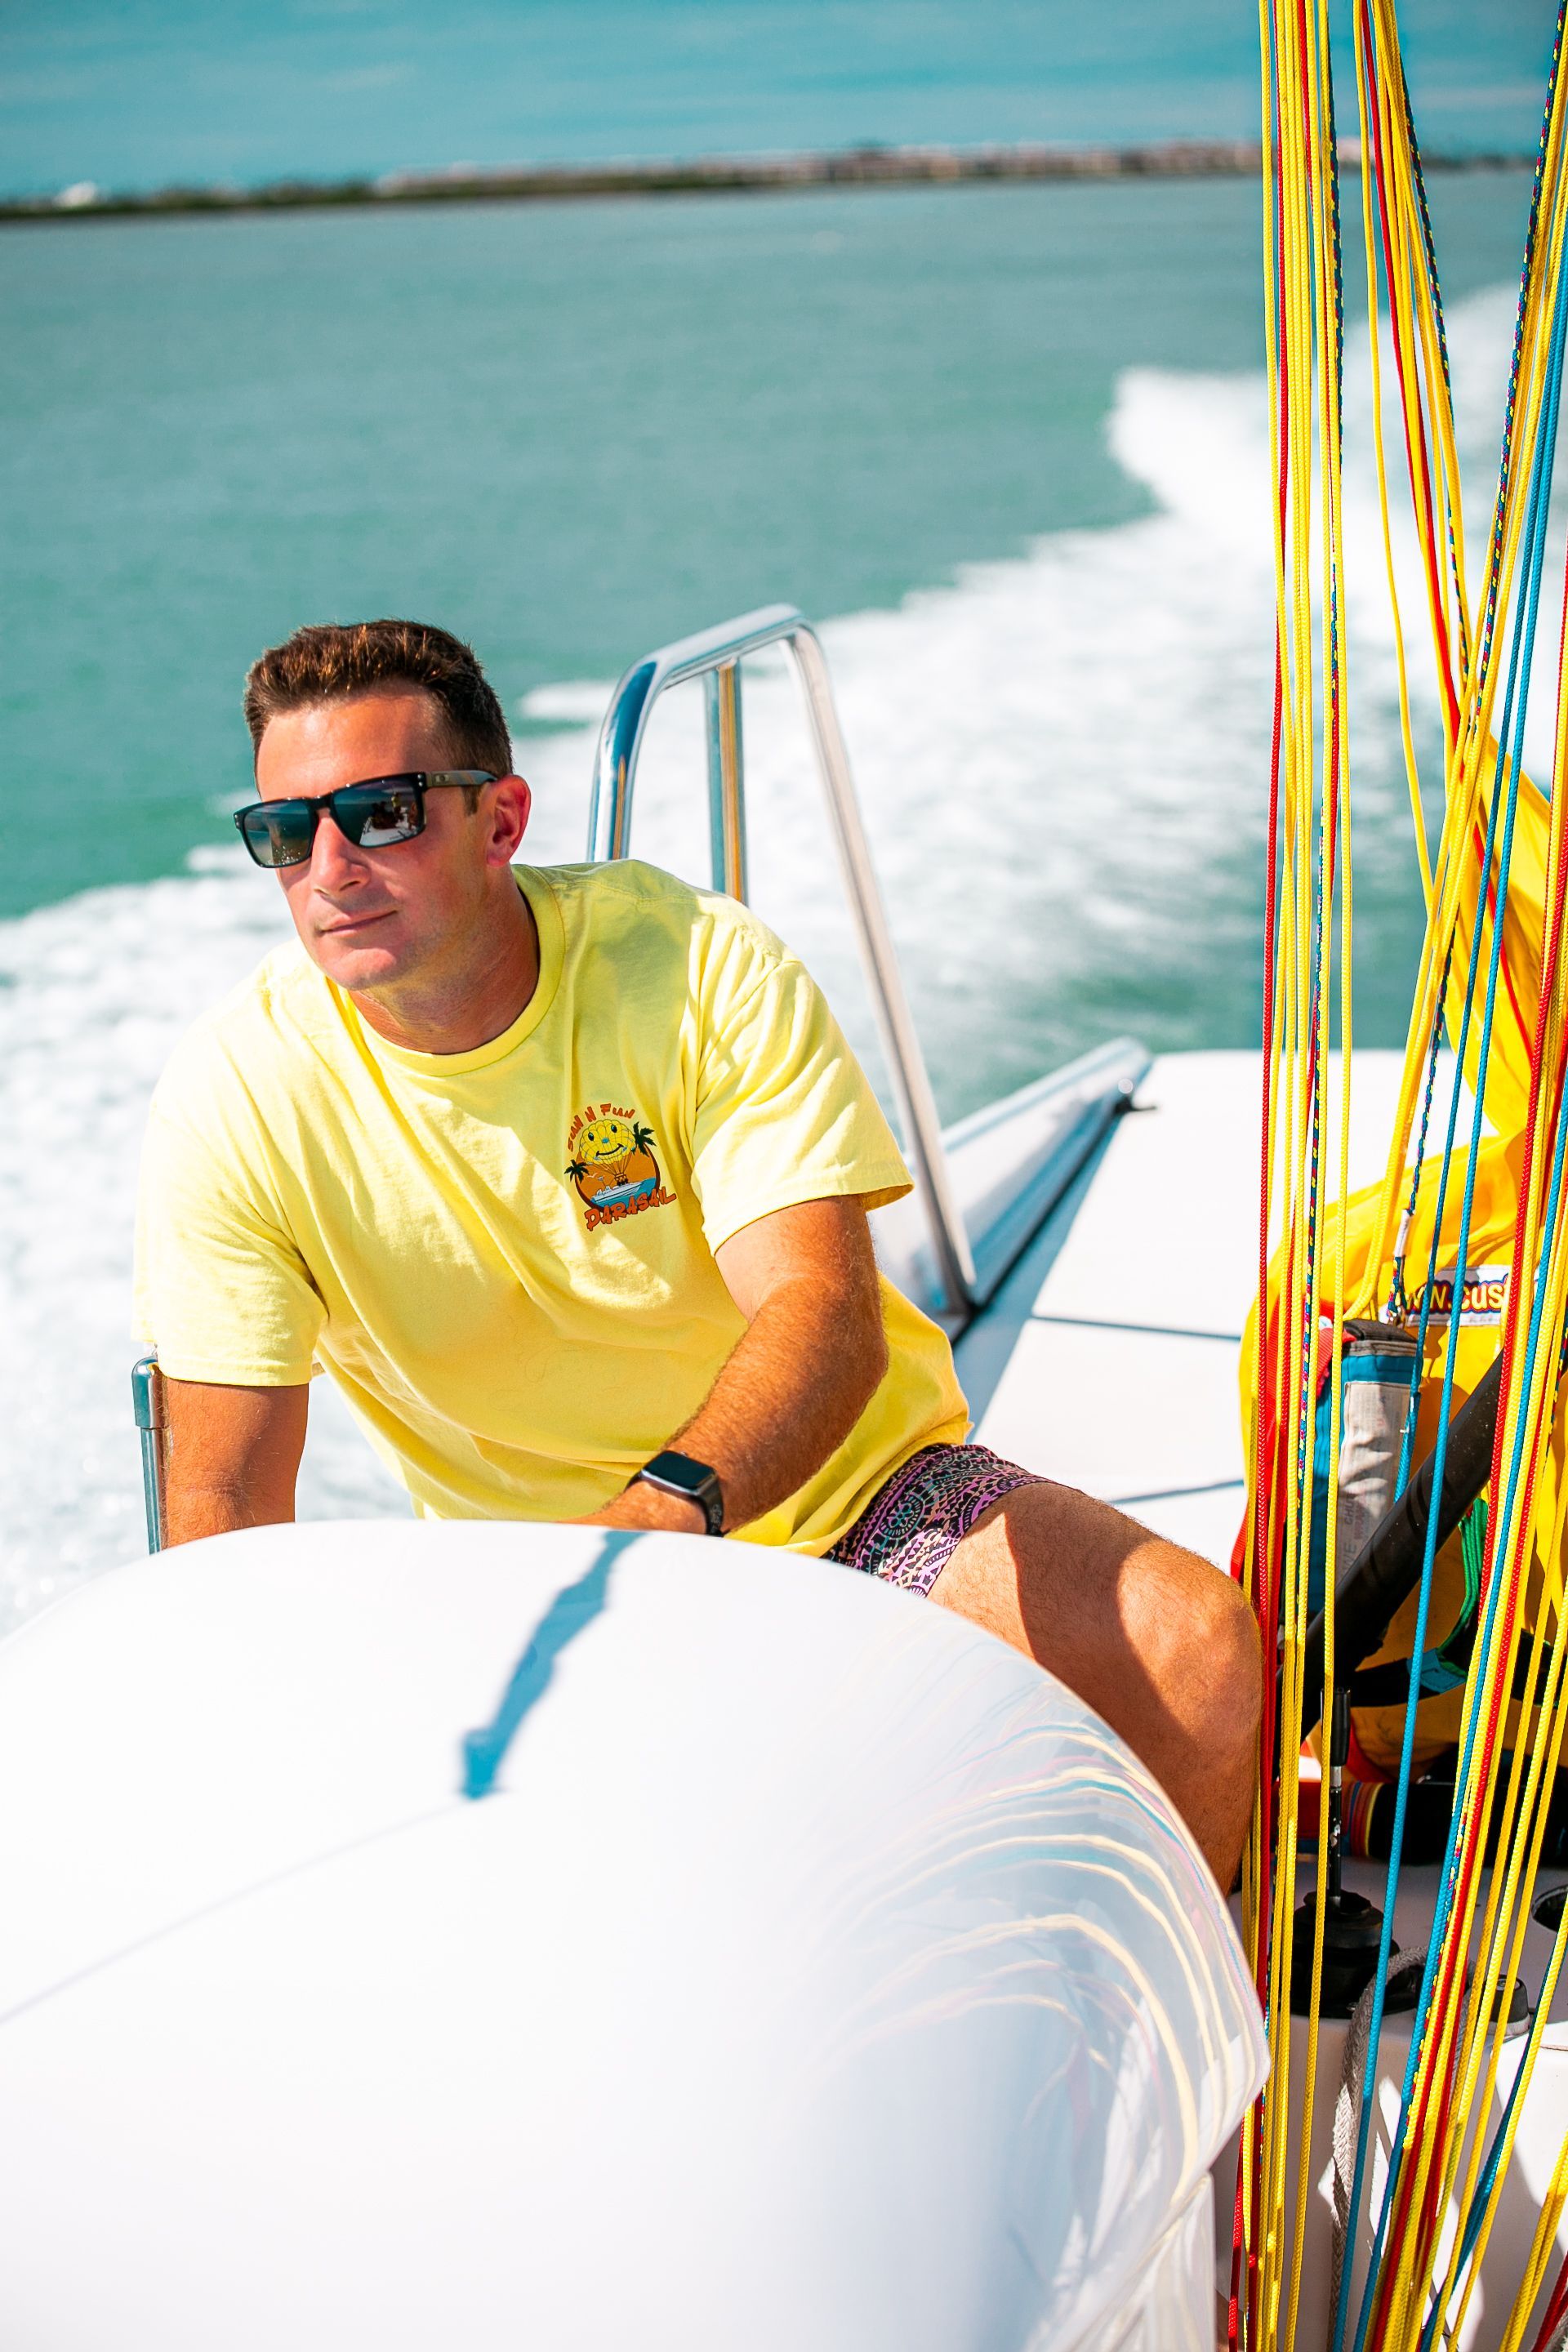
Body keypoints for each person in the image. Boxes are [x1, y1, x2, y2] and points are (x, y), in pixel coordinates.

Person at [135, 619, 1261, 1886]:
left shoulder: (696, 967)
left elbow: (819, 1313)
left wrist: (654, 1526)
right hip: (524, 1587)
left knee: (1194, 1653)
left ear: (500, 819)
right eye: (288, 831)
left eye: (382, 812)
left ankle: (1211, 2072)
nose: (331, 867)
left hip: (848, 1508)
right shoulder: (235, 1097)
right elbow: (225, 1510)